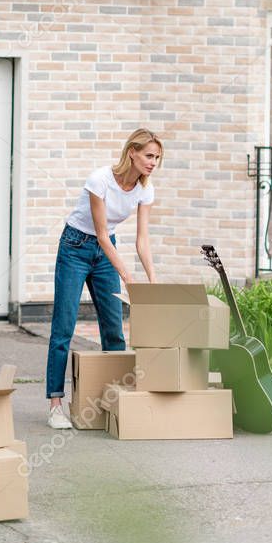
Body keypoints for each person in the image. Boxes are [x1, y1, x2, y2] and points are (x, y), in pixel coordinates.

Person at [45, 128, 162, 429]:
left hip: (106, 252)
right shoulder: (101, 180)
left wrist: (153, 281)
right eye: (149, 156)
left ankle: (117, 401)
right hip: (75, 247)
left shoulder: (145, 190)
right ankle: (56, 404)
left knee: (114, 329)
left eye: (157, 158)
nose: (153, 163)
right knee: (64, 326)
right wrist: (128, 277)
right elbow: (99, 233)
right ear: (132, 152)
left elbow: (142, 240)